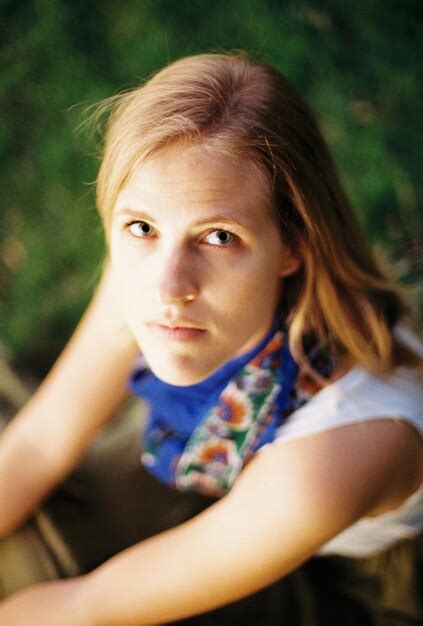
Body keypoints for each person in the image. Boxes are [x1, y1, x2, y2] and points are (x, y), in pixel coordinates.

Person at [0, 52, 421, 625]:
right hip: (233, 458)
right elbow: (41, 441)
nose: (168, 287)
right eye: (141, 226)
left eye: (219, 237)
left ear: (294, 246)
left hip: (352, 572)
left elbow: (91, 607)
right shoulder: (151, 267)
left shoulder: (333, 454)